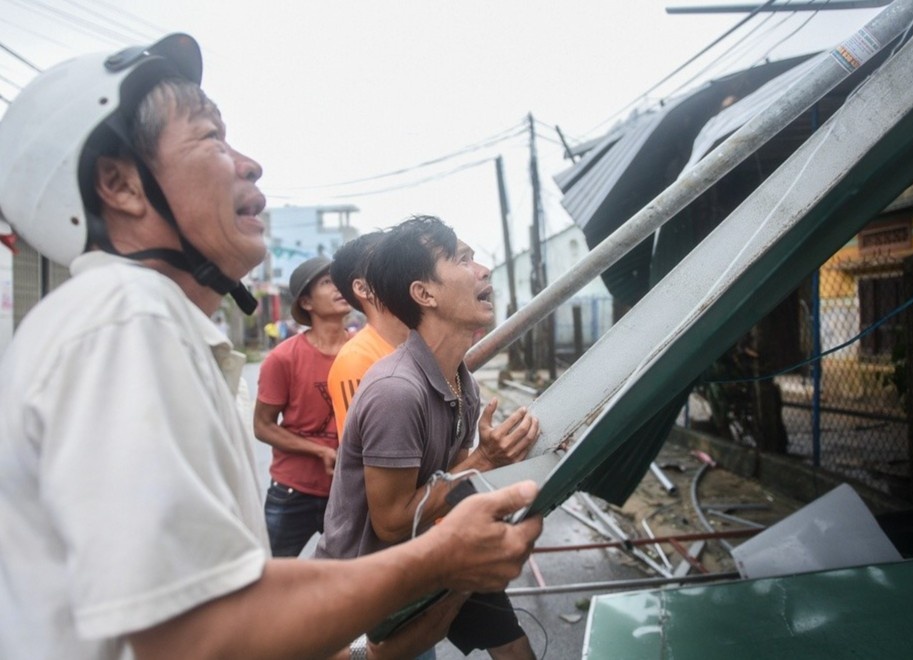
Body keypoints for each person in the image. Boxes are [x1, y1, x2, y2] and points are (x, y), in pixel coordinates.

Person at [0, 34, 543, 660]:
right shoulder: (124, 323)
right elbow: (199, 637)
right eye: (210, 136)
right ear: (120, 184)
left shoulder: (143, 323)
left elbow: (224, 599)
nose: (249, 163)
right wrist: (439, 558)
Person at [317, 216, 542, 659]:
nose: (483, 271)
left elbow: (450, 482)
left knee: (515, 649)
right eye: (462, 259)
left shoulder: (462, 381)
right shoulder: (395, 391)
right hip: (370, 592)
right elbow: (393, 520)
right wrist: (484, 462)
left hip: (432, 555)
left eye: (476, 258)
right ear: (424, 293)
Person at [255, 255, 351, 557]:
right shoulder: (283, 358)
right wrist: (319, 450)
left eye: (340, 280)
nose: (339, 288)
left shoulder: (365, 351)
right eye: (327, 282)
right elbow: (262, 426)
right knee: (269, 581)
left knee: (356, 586)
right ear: (307, 303)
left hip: (349, 492)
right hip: (292, 492)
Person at [327, 231, 410, 438]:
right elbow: (368, 459)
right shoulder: (355, 361)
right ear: (363, 289)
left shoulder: (423, 345)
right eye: (390, 263)